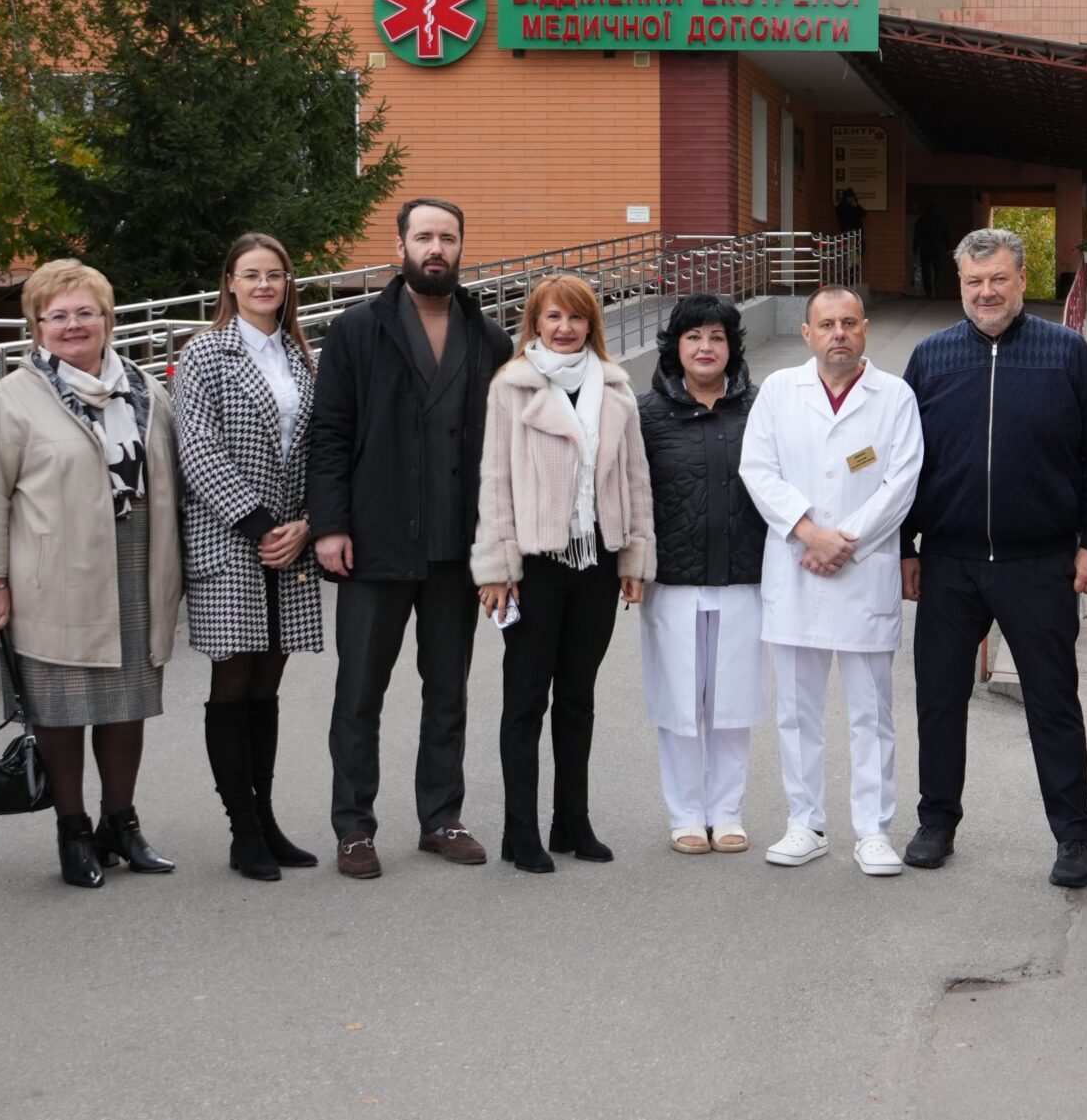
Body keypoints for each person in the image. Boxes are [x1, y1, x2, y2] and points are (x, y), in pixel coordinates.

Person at [900, 227, 1087, 887]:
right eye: (974, 281)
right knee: (940, 699)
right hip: (949, 561)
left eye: (998, 278)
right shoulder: (931, 358)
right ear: (960, 284)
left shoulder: (1066, 353)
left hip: (1040, 562)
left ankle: (1073, 835)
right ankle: (936, 821)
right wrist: (906, 546)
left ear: (1023, 279)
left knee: (1053, 702)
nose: (987, 292)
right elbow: (902, 460)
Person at [0, 259, 184, 889]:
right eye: (58, 316)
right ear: (37, 326)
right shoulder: (16, 396)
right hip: (52, 576)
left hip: (136, 563)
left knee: (127, 704)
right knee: (60, 709)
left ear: (108, 319)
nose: (73, 325)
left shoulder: (144, 387)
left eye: (86, 312)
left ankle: (121, 824)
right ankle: (73, 831)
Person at [309, 198, 514, 877]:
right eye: (424, 236)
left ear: (461, 248)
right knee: (359, 692)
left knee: (448, 690)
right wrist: (330, 524)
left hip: (457, 546)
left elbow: (507, 447)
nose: (436, 248)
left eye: (447, 237)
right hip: (375, 540)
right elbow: (329, 433)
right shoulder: (356, 329)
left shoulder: (488, 338)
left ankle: (441, 817)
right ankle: (353, 827)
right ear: (400, 246)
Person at [471, 274, 654, 872]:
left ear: (591, 325)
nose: (565, 327)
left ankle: (571, 821)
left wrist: (634, 557)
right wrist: (497, 567)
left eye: (576, 317)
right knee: (525, 701)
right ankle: (519, 830)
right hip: (536, 566)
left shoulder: (616, 388)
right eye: (553, 316)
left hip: (597, 563)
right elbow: (496, 481)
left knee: (577, 699)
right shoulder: (512, 387)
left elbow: (635, 480)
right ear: (535, 323)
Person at [741, 286, 925, 875]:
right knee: (797, 711)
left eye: (849, 323)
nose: (838, 334)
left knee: (871, 712)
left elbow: (902, 481)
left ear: (865, 328)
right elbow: (758, 469)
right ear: (807, 333)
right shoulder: (778, 391)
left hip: (862, 569)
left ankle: (873, 830)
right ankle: (806, 823)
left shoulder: (894, 396)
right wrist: (809, 533)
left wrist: (843, 542)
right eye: (827, 325)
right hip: (797, 568)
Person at [172, 233, 323, 882]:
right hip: (231, 539)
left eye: (275, 275)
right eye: (251, 274)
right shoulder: (205, 352)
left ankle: (266, 819)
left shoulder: (301, 356)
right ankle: (243, 829)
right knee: (232, 685)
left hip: (290, 542)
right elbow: (197, 449)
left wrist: (306, 525)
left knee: (267, 687)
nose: (264, 285)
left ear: (288, 284)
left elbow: (320, 447)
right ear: (229, 283)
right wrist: (262, 526)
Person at [636, 294, 769, 856]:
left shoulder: (761, 408)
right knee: (680, 705)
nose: (706, 347)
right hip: (672, 580)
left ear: (732, 346)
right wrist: (631, 561)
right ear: (676, 346)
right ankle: (687, 814)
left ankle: (728, 811)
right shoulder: (646, 413)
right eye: (694, 337)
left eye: (717, 337)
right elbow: (631, 493)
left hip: (745, 576)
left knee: (733, 702)